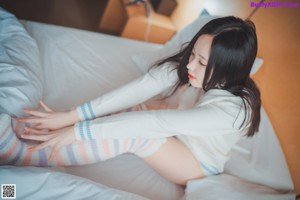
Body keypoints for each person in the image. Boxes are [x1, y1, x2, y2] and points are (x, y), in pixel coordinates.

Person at [0, 16, 261, 185]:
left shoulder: (232, 112)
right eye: (193, 53)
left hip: (197, 163)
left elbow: (155, 123)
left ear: (227, 68)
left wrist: (78, 132)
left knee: (138, 134)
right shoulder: (195, 69)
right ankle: (40, 133)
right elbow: (138, 88)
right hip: (179, 137)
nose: (190, 64)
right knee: (131, 110)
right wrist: (72, 117)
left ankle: (27, 154)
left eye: (202, 62)